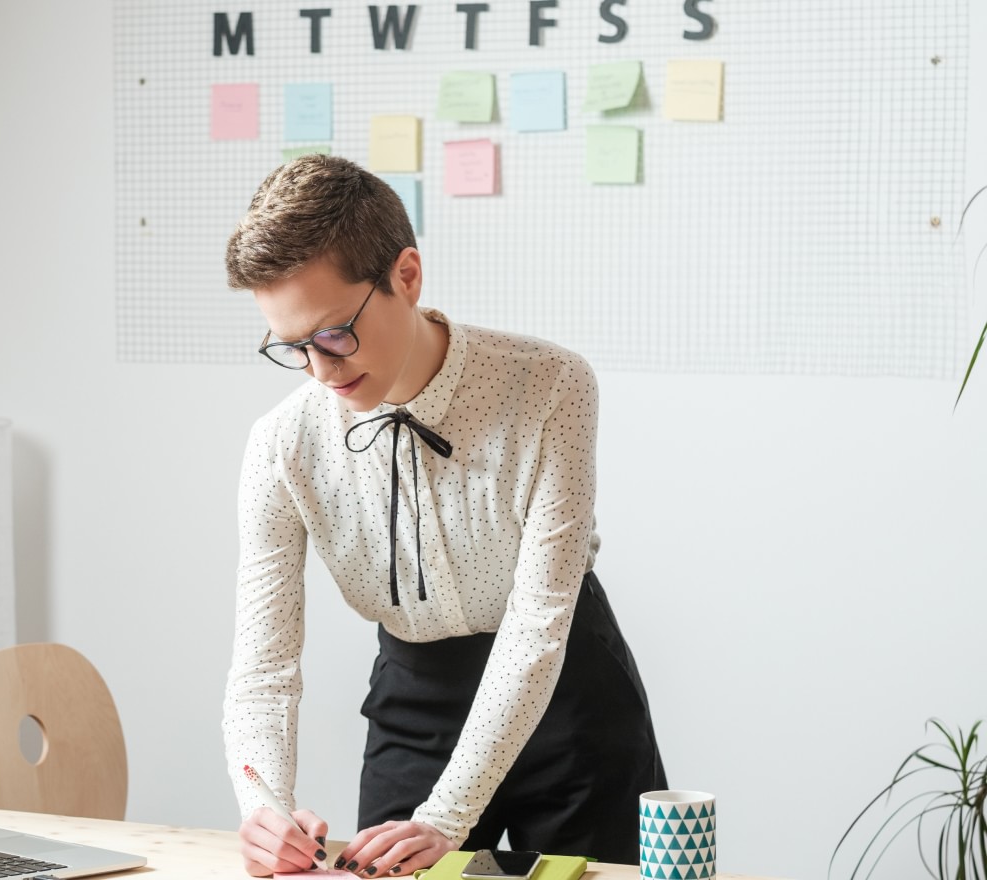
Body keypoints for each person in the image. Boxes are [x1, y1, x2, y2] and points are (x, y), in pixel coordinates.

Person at [221, 154, 668, 878]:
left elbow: (536, 626)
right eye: (292, 347)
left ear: (406, 275)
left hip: (569, 696)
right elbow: (264, 666)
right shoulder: (281, 445)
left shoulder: (550, 384)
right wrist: (262, 807)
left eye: (334, 334)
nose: (321, 371)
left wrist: (446, 817)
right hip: (414, 702)